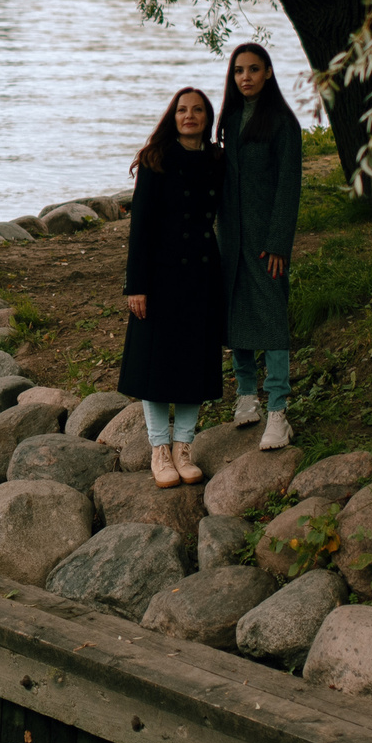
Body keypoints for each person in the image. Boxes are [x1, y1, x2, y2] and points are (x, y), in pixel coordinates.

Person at [120, 86, 226, 487]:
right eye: (182, 109)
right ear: (173, 116)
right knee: (155, 364)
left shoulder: (217, 160)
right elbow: (141, 227)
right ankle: (160, 450)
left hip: (202, 273)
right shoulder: (156, 159)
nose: (189, 115)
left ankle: (184, 447)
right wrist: (137, 285)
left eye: (197, 109)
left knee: (194, 361)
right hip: (160, 275)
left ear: (207, 117)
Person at [218, 42, 302, 450]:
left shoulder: (283, 122)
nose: (245, 77)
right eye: (239, 71)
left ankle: (278, 410)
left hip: (267, 240)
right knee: (237, 314)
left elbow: (289, 186)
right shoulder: (230, 120)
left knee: (271, 318)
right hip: (232, 237)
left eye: (253, 69)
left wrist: (279, 242)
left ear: (268, 72)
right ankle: (246, 394)